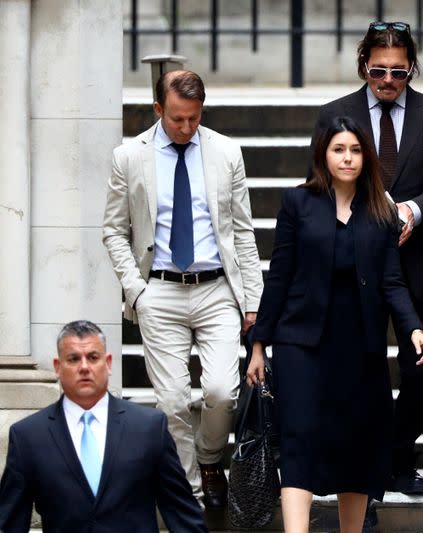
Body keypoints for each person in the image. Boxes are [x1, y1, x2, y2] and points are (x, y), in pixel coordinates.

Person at [246, 116, 423, 533]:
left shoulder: (382, 211)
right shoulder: (297, 203)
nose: (347, 158)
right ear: (323, 154)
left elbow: (392, 281)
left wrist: (413, 327)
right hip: (301, 344)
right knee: (300, 440)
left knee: (358, 447)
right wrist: (260, 344)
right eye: (338, 150)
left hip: (360, 347)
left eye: (354, 150)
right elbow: (279, 275)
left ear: (366, 156)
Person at [312, 23, 423, 501]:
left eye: (398, 72)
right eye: (378, 70)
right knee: (359, 372)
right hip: (352, 267)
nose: (387, 80)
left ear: (411, 69)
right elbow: (318, 182)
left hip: (417, 262)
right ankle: (365, 472)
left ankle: (395, 453)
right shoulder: (334, 115)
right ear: (364, 66)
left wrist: (413, 211)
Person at [102, 70, 264, 508]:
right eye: (176, 119)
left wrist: (254, 302)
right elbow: (114, 231)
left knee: (220, 391)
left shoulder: (226, 152)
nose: (186, 127)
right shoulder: (128, 156)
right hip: (160, 289)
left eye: (194, 118)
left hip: (216, 289)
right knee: (172, 400)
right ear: (158, 109)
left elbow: (243, 232)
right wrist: (136, 291)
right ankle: (190, 490)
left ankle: (211, 461)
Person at [0, 321, 208, 533]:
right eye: (73, 359)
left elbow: (184, 518)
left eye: (93, 357)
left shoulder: (149, 428)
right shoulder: (28, 437)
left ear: (108, 363)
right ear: (57, 367)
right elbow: (10, 524)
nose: (84, 367)